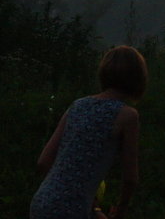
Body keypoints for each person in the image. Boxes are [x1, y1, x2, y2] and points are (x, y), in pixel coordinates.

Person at [31, 45, 146, 219]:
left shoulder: (78, 105)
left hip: (42, 202)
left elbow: (43, 162)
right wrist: (120, 210)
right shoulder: (128, 116)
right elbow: (130, 178)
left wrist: (91, 205)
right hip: (72, 210)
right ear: (138, 78)